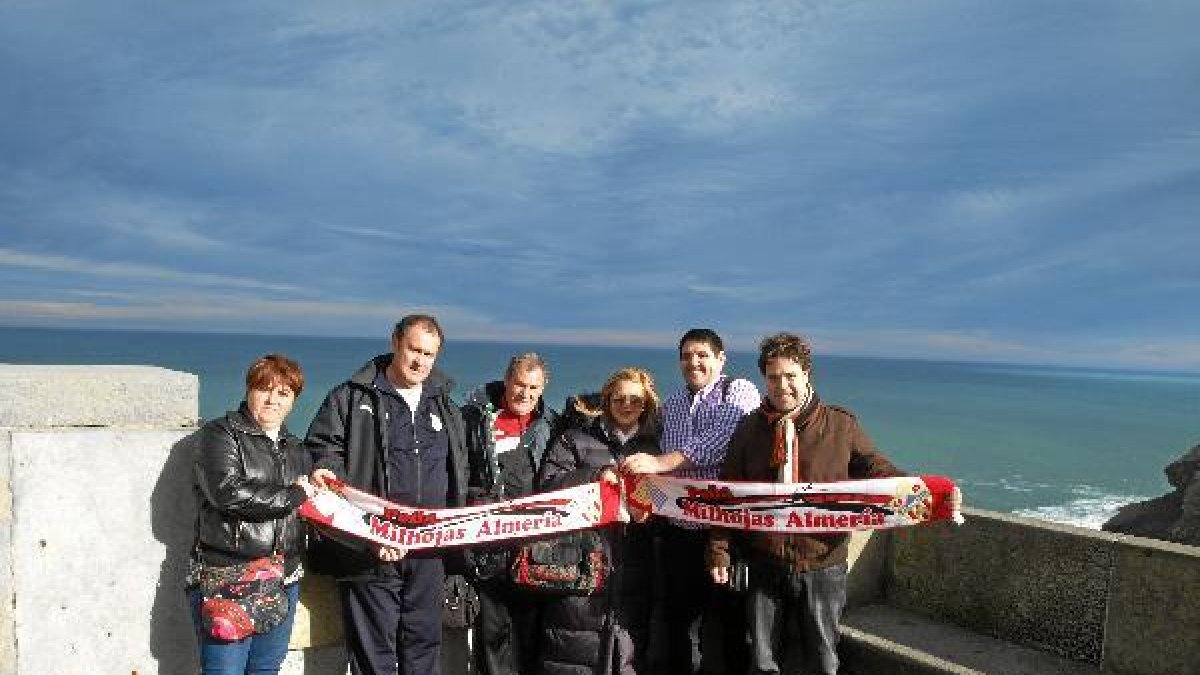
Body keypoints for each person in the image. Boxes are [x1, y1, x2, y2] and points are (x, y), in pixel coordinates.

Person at [707, 333, 901, 675]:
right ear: (764, 379)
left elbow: (877, 469)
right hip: (764, 562)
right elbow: (727, 495)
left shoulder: (841, 424)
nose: (782, 386)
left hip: (824, 563)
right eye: (773, 377)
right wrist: (720, 550)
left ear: (807, 374)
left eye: (790, 376)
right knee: (763, 660)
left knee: (824, 660)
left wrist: (926, 489)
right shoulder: (749, 429)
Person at [306, 314, 468, 675]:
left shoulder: (445, 405)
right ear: (395, 342)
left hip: (429, 550)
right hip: (371, 548)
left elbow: (460, 470)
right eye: (413, 349)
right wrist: (325, 472)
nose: (419, 361)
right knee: (373, 653)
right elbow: (321, 449)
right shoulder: (349, 397)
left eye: (429, 354)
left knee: (425, 644)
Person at [621, 328, 761, 675]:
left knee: (727, 625)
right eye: (686, 356)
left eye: (702, 355)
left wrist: (661, 463)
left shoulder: (739, 391)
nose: (693, 363)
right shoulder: (672, 405)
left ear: (720, 359)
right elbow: (639, 432)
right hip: (678, 532)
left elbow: (723, 439)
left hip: (724, 532)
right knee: (675, 623)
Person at [190, 353, 316, 675]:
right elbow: (228, 494)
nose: (273, 400)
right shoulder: (220, 434)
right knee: (223, 670)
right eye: (265, 389)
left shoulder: (297, 448)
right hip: (232, 574)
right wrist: (295, 494)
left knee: (266, 669)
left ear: (293, 401)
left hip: (284, 575)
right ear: (249, 390)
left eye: (283, 393)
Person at [536, 367, 661, 675]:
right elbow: (548, 486)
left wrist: (650, 511)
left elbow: (667, 503)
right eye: (620, 398)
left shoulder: (654, 448)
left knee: (627, 653)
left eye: (636, 400)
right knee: (571, 651)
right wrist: (595, 477)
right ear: (607, 400)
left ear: (646, 404)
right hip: (578, 560)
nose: (628, 405)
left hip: (633, 564)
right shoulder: (575, 439)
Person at [461, 353, 560, 675]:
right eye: (520, 384)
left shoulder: (551, 424)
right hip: (488, 547)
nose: (526, 394)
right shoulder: (472, 420)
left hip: (535, 548)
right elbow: (458, 474)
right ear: (506, 380)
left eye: (534, 388)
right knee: (491, 637)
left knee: (531, 636)